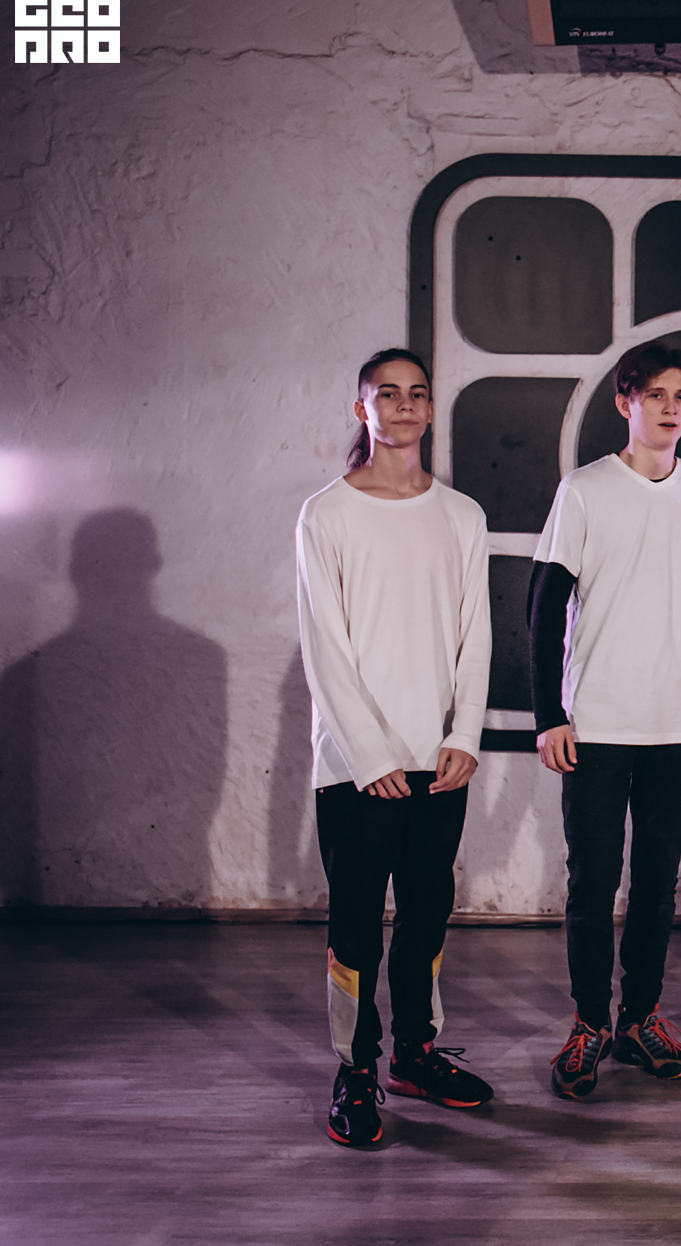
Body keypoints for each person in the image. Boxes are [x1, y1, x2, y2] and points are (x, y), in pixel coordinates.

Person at [528, 339, 681, 1099]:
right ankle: (588, 1024)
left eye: (680, 396)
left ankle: (640, 1018)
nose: (668, 407)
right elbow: (543, 606)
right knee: (592, 884)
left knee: (658, 883)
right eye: (653, 394)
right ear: (625, 402)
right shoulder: (585, 490)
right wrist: (549, 713)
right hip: (595, 723)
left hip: (679, 726)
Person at [295, 348, 495, 1148]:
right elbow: (324, 648)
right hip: (355, 768)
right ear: (363, 409)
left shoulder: (462, 515)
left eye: (417, 393)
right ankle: (354, 1069)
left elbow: (476, 636)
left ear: (430, 408)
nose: (404, 405)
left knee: (426, 915)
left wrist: (464, 735)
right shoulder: (327, 514)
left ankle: (415, 1052)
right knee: (355, 926)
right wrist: (371, 755)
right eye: (388, 393)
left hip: (439, 760)